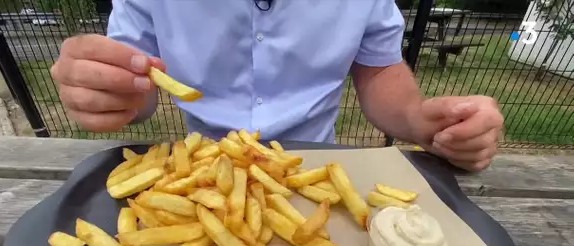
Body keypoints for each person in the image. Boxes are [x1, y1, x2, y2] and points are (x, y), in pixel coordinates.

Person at [50, 0, 503, 172]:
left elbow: (380, 70)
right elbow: (138, 85)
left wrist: (421, 121)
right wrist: (108, 88)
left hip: (315, 170)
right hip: (200, 174)